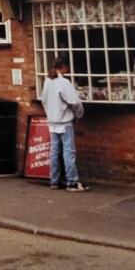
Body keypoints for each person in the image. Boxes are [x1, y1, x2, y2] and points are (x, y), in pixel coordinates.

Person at [40, 55, 89, 192]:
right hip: (65, 122)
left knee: (54, 152)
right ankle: (72, 182)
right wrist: (79, 114)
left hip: (52, 122)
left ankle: (54, 181)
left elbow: (44, 100)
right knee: (69, 152)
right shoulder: (64, 83)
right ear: (64, 67)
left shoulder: (47, 81)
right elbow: (75, 102)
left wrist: (50, 113)